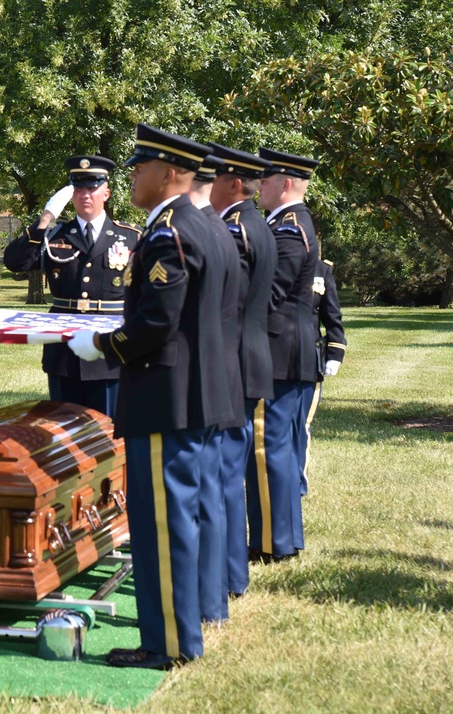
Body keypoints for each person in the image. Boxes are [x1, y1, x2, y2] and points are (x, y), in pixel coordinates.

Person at [68, 124, 229, 669]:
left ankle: (169, 644)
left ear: (168, 173)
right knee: (183, 516)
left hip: (167, 394)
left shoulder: (170, 232)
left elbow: (157, 321)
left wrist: (101, 345)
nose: (132, 176)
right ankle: (182, 629)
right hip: (194, 393)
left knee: (162, 524)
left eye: (139, 168)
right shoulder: (203, 225)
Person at [4, 155, 140, 420]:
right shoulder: (55, 235)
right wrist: (45, 218)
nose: (85, 194)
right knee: (63, 434)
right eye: (78, 188)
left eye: (92, 187)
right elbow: (15, 262)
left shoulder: (130, 236)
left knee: (109, 431)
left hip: (109, 349)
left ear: (106, 193)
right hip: (64, 350)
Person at [207, 143, 277, 595]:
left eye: (212, 177)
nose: (205, 185)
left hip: (233, 360)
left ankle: (231, 575)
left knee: (226, 475)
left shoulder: (235, 230)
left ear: (233, 183)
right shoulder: (256, 225)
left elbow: (222, 304)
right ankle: (231, 572)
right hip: (249, 356)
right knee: (230, 472)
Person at [256, 148, 321, 559]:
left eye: (264, 180)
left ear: (285, 184)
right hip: (290, 350)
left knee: (270, 450)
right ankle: (286, 540)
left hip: (280, 353)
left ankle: (273, 543)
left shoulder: (288, 229)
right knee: (280, 449)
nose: (257, 186)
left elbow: (269, 296)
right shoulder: (289, 224)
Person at [188, 155, 243, 624]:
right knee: (212, 491)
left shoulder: (191, 232)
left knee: (198, 499)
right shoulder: (220, 229)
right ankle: (215, 597)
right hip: (220, 374)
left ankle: (205, 604)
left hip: (195, 382)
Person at [298, 258, 346, 486]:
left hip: (309, 355)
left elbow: (332, 316)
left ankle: (298, 480)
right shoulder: (267, 260)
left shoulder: (321, 270)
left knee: (302, 424)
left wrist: (335, 352)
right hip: (272, 356)